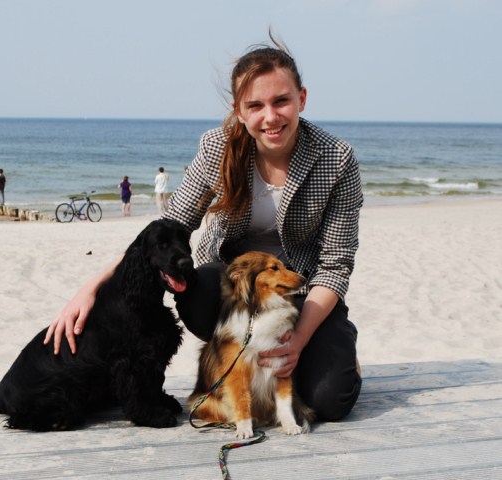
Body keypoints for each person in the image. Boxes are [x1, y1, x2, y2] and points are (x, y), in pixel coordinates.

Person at [45, 34, 363, 422]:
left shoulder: (337, 158)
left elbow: (335, 266)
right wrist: (94, 286)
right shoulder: (218, 147)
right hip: (236, 288)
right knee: (194, 294)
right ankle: (246, 354)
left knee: (329, 401)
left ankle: (334, 352)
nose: (270, 117)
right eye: (255, 105)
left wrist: (298, 341)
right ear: (239, 110)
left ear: (302, 98)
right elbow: (170, 225)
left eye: (281, 101)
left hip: (302, 290)